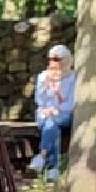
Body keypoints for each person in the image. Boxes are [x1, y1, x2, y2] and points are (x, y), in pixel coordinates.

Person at [33, 42, 75, 180]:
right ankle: (52, 169)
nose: (53, 62)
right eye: (51, 59)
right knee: (51, 125)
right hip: (45, 114)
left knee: (51, 124)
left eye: (57, 59)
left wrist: (57, 93)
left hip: (63, 114)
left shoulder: (72, 78)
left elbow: (70, 105)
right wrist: (45, 88)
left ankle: (42, 156)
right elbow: (39, 101)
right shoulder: (43, 76)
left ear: (66, 61)